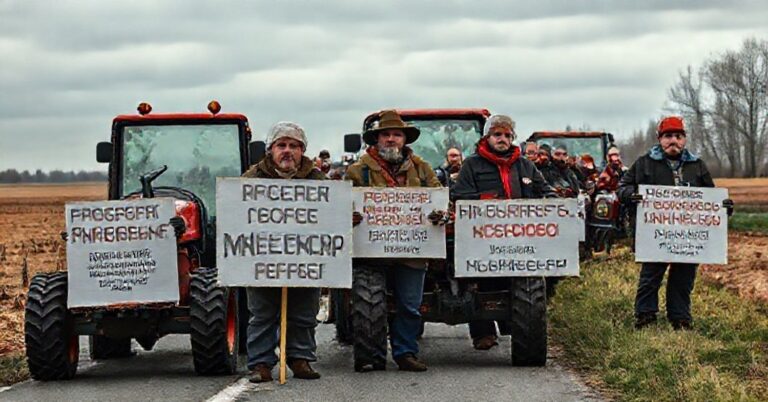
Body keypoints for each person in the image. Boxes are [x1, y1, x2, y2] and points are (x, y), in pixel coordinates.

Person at [345, 109, 444, 372]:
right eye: (385, 134)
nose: (391, 139)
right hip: (370, 253)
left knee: (410, 307)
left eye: (396, 135)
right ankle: (369, 355)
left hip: (412, 251)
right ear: (376, 139)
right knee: (368, 304)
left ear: (405, 139)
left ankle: (405, 352)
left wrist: (439, 213)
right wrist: (349, 216)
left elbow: (438, 198)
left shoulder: (422, 169)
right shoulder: (357, 171)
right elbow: (341, 205)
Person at [618, 116, 733, 330]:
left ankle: (680, 318)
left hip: (689, 236)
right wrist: (631, 195)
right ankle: (645, 316)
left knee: (683, 277)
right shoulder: (645, 163)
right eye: (668, 136)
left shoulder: (697, 165)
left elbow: (711, 197)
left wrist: (724, 206)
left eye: (678, 136)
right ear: (660, 139)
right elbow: (622, 187)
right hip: (655, 233)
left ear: (685, 139)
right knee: (651, 275)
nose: (674, 141)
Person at [453, 115, 555, 349]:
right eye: (497, 135)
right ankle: (482, 332)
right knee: (479, 282)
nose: (502, 139)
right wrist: (485, 200)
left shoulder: (525, 165)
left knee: (524, 283)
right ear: (487, 137)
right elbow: (459, 196)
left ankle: (518, 327)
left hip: (520, 238)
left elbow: (544, 190)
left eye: (507, 135)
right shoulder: (472, 164)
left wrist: (556, 203)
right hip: (483, 238)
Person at [242, 122, 327, 382]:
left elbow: (329, 215)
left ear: (302, 151)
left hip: (304, 259)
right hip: (263, 259)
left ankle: (300, 359)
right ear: (271, 150)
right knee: (262, 313)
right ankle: (261, 364)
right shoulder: (251, 179)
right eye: (282, 145)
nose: (287, 151)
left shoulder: (317, 179)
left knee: (303, 312)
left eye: (294, 146)